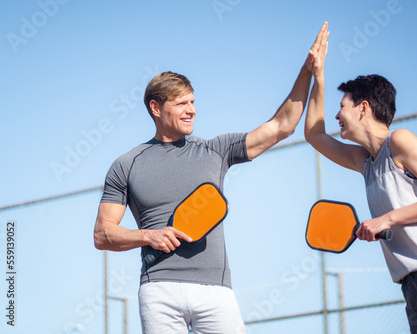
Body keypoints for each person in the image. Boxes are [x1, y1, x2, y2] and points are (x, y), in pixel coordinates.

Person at [93, 22, 329, 334]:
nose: (191, 110)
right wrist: (149, 236)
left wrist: (308, 70)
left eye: (192, 102)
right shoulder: (126, 165)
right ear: (155, 108)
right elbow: (102, 235)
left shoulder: (215, 150)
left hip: (216, 291)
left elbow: (282, 126)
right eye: (181, 104)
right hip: (158, 289)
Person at [304, 31, 417, 333]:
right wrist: (318, 75)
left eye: (342, 106)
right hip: (411, 282)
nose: (336, 115)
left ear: (362, 108)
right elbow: (314, 134)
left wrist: (385, 220)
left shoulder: (399, 141)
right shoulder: (365, 162)